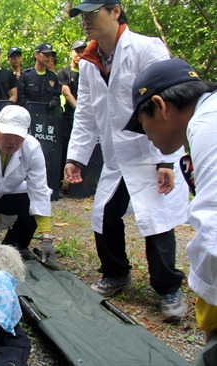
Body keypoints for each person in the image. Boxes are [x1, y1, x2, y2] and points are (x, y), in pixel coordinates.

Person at [64, 0, 189, 322]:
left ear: (115, 11)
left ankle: (167, 288)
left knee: (155, 221)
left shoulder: (147, 49)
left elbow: (171, 103)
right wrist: (76, 156)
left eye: (93, 13)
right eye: (83, 16)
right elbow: (87, 112)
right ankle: (116, 272)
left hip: (150, 149)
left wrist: (166, 160)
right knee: (104, 214)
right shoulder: (89, 61)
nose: (86, 21)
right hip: (116, 154)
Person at [124, 57, 217, 365]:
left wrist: (211, 317)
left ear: (160, 106)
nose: (144, 134)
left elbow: (214, 236)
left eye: (142, 122)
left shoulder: (207, 128)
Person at [0, 105, 54, 261]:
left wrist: (46, 237)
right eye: (7, 134)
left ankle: (16, 245)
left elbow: (39, 190)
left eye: (18, 136)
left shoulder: (33, 148)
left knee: (31, 200)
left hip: (11, 193)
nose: (12, 141)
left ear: (27, 133)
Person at [57, 40, 87, 186]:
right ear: (71, 53)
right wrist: (80, 110)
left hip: (87, 119)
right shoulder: (63, 73)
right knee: (65, 149)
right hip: (68, 117)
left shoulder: (90, 72)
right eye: (77, 51)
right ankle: (63, 182)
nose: (80, 54)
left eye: (83, 51)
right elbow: (67, 94)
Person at [17, 42, 61, 110]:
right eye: (45, 54)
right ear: (36, 55)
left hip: (47, 116)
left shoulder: (53, 77)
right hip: (30, 116)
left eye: (50, 55)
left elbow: (57, 95)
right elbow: (21, 98)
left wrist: (55, 101)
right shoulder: (25, 76)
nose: (48, 58)